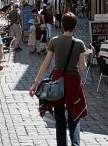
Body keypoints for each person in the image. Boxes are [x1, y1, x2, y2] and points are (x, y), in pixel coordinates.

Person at [29, 12, 87, 146]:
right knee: (75, 115)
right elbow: (82, 68)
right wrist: (85, 56)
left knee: (60, 118)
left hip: (57, 80)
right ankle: (75, 143)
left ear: (62, 25)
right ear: (75, 26)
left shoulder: (54, 41)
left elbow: (46, 64)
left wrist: (36, 83)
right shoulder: (79, 44)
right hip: (73, 81)